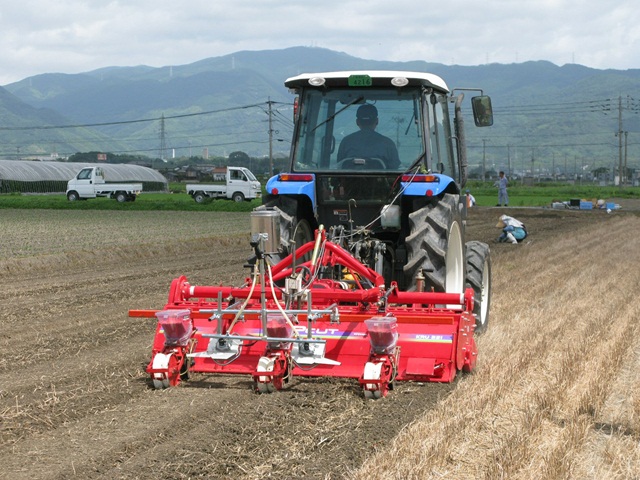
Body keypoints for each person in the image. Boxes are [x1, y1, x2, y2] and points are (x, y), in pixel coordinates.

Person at [337, 104, 401, 169]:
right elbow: (394, 168)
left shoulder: (346, 142)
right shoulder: (388, 143)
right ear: (377, 121)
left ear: (357, 122)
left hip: (350, 179)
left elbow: (339, 166)